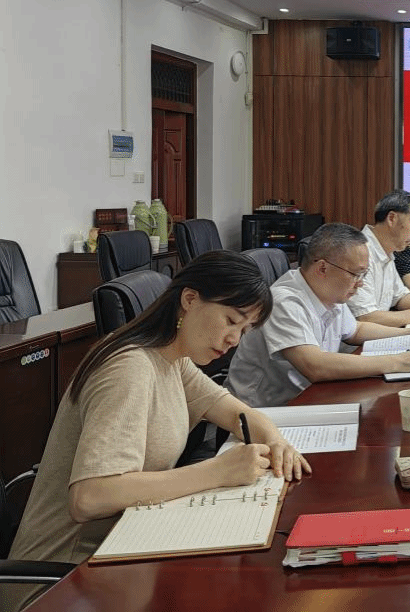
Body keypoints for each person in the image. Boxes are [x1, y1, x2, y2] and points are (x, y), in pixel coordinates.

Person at [3, 251, 311, 611]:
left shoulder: (171, 357)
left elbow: (236, 411)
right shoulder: (129, 368)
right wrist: (217, 471)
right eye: (231, 321)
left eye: (244, 331)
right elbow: (89, 498)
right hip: (65, 580)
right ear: (190, 299)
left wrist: (275, 440)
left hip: (125, 551)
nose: (234, 340)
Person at [225, 223, 410, 408]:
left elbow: (356, 330)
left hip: (308, 399)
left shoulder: (330, 291)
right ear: (323, 268)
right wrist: (397, 362)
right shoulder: (285, 301)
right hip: (262, 414)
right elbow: (315, 366)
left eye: (364, 274)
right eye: (356, 274)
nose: (360, 283)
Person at [348, 189, 410, 326]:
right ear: (392, 218)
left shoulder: (388, 252)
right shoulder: (359, 251)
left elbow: (400, 296)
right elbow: (366, 317)